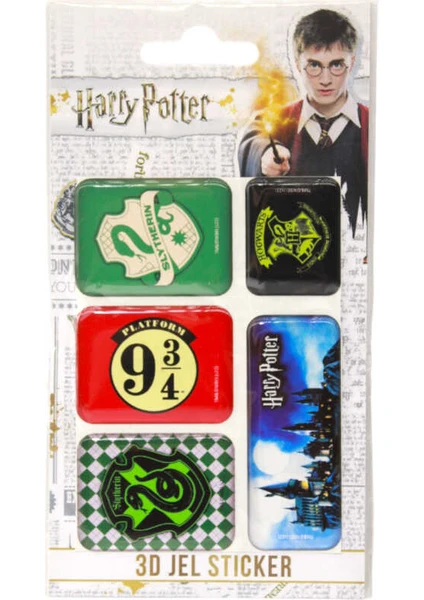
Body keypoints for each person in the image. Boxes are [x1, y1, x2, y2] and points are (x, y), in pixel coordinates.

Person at [238, 9, 368, 236]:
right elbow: (255, 136)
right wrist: (266, 154)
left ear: (352, 62)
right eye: (314, 65)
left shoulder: (372, 125)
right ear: (298, 65)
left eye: (337, 65)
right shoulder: (279, 121)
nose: (325, 79)